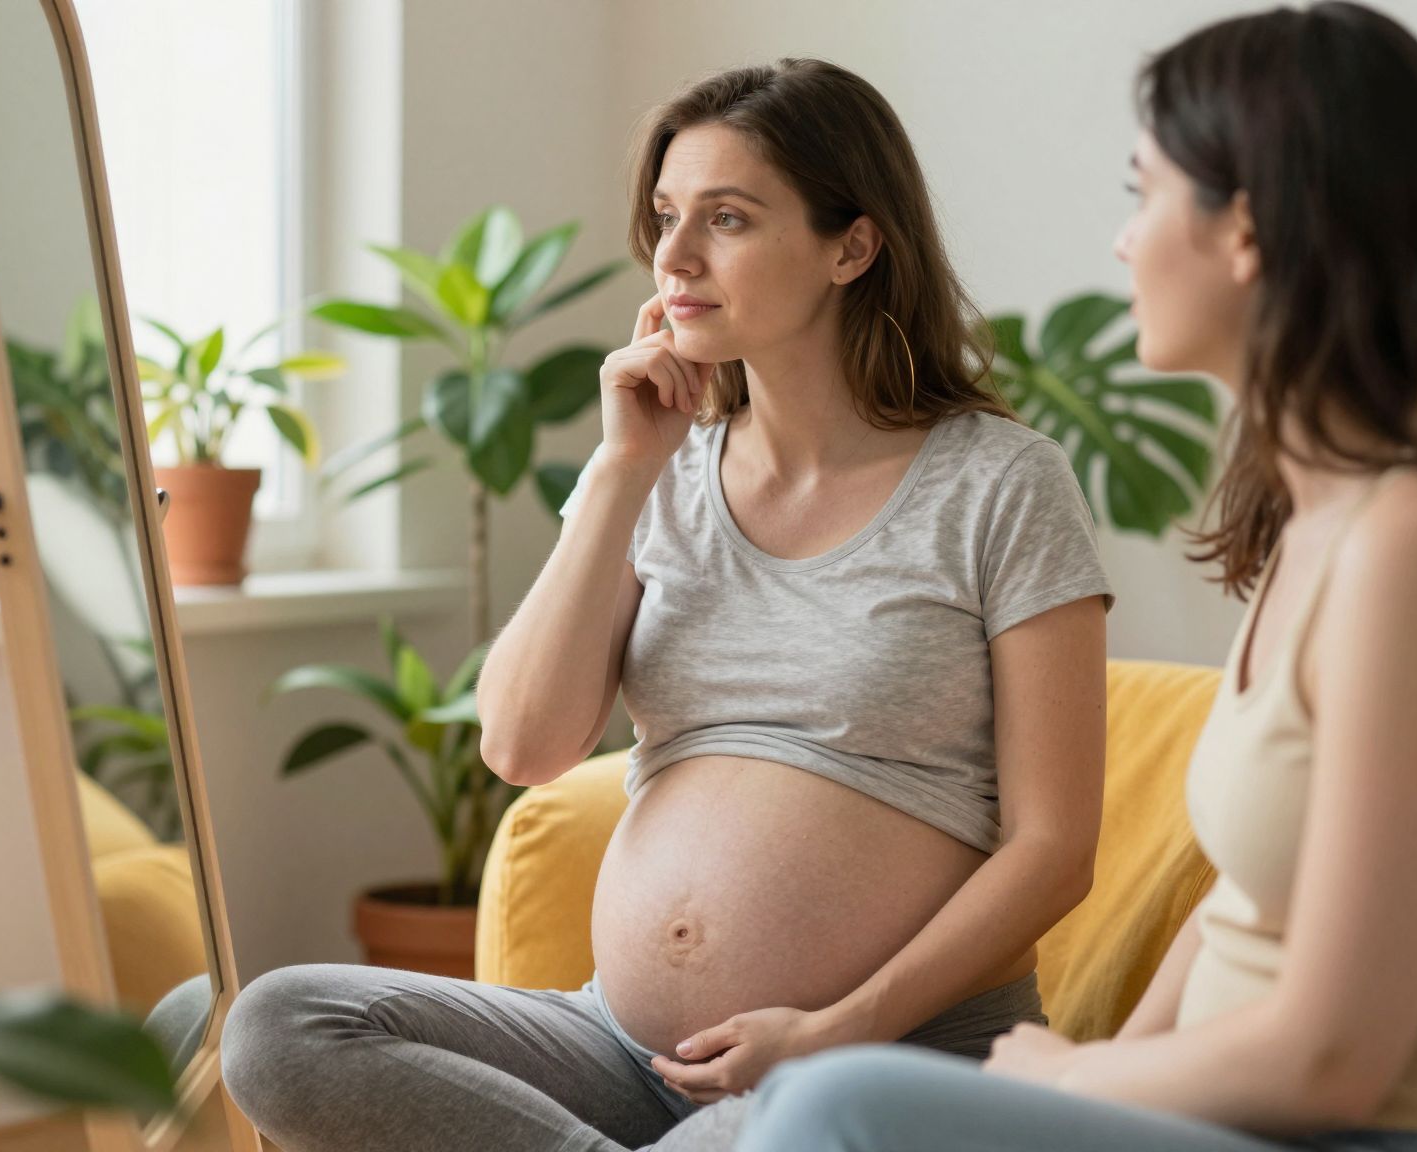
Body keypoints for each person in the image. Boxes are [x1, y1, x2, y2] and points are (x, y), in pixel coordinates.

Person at [737, 6, 1417, 1152]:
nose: (1122, 243)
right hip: (1277, 1128)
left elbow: (1333, 1055)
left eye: (1144, 194)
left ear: (1246, 231)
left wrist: (1067, 1085)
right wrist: (1101, 1072)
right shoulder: (1320, 524)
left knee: (836, 1105)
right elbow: (1246, 906)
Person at [218, 57, 1114, 1151]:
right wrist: (618, 473)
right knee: (283, 1026)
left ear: (852, 245)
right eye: (663, 217)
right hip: (618, 1049)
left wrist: (838, 1028)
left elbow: (1054, 846)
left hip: (884, 1060)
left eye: (726, 219)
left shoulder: (1000, 484)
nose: (674, 258)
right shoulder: (665, 474)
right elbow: (520, 743)